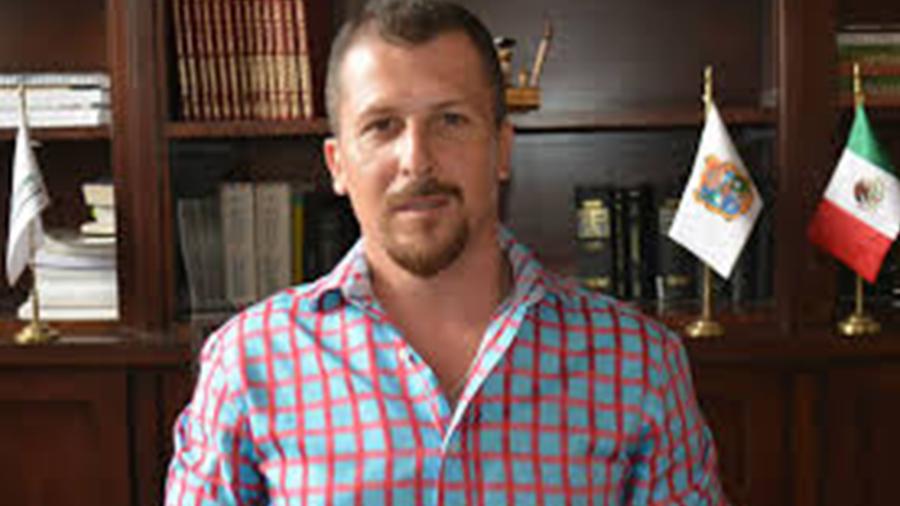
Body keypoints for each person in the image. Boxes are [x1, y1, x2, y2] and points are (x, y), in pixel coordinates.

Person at [165, 0, 727, 504]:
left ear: (501, 150)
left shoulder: (637, 363)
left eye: (451, 121)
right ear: (337, 164)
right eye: (382, 126)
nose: (417, 159)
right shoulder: (248, 364)